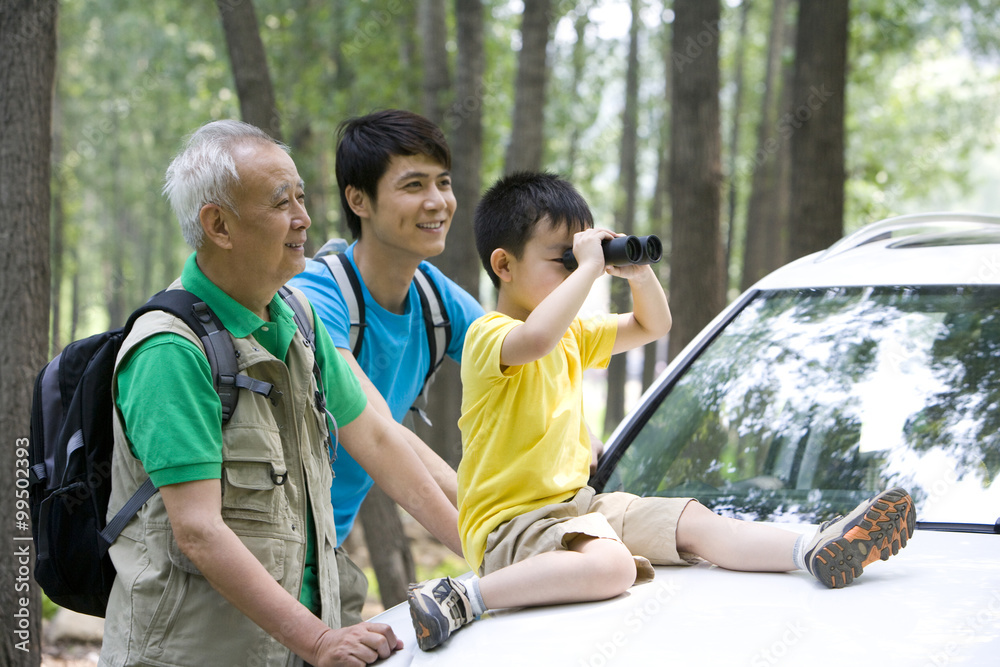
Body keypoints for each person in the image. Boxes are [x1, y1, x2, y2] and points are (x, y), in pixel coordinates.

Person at [406, 172, 916, 650]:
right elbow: (536, 338)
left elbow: (654, 325)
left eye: (584, 254)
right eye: (561, 258)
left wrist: (636, 271)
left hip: (576, 506)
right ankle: (462, 597)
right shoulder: (487, 335)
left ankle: (814, 547)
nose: (579, 268)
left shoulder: (573, 335)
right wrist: (587, 267)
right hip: (510, 525)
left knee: (692, 521)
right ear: (504, 266)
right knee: (613, 569)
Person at [100, 120, 461, 667]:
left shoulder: (298, 317)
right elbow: (198, 531)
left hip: (303, 644)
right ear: (219, 225)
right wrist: (319, 641)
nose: (304, 218)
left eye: (301, 196)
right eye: (280, 203)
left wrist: (485, 553)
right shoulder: (169, 351)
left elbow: (382, 444)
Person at [288, 109, 484, 624]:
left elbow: (522, 365)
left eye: (443, 182)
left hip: (326, 558)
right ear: (359, 200)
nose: (437, 201)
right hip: (257, 554)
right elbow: (377, 435)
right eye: (414, 184)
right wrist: (484, 549)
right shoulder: (317, 296)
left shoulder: (437, 299)